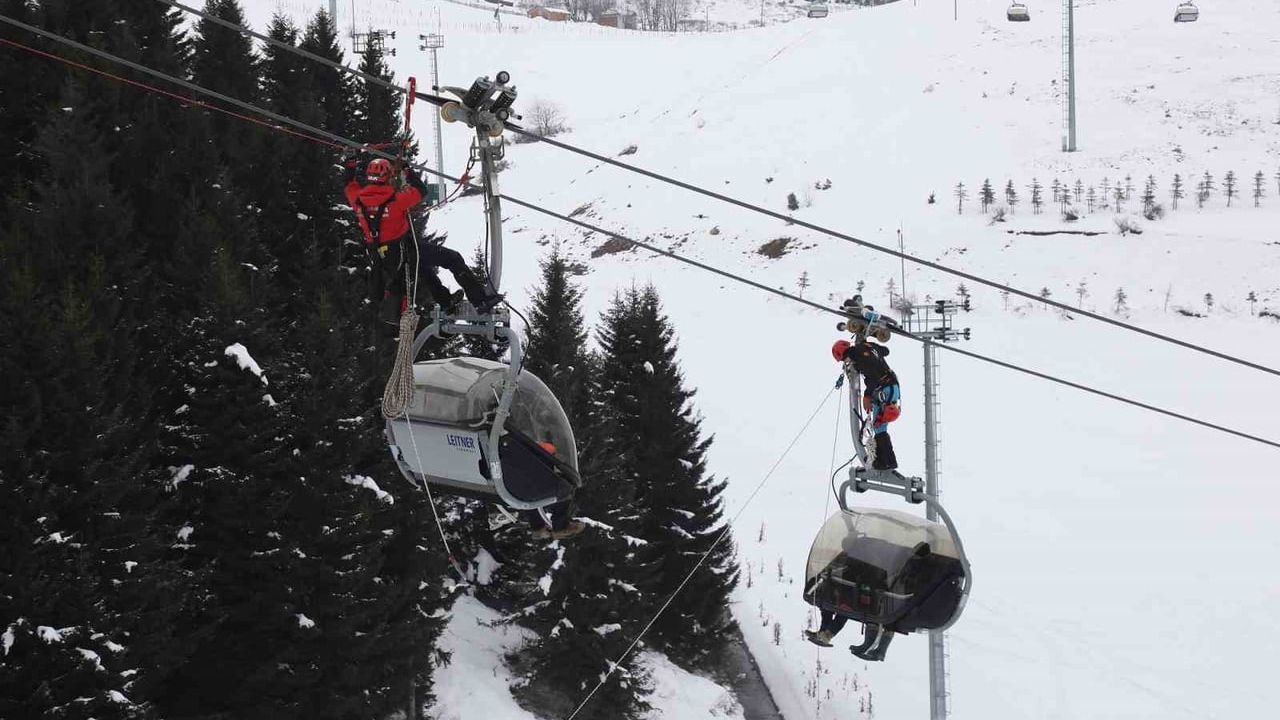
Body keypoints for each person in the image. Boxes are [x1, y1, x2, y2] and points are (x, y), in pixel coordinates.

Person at [342, 155, 499, 331]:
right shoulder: (396, 199)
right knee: (452, 258)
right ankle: (480, 301)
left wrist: (350, 166)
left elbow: (349, 184)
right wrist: (407, 170)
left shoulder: (357, 199)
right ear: (387, 176)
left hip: (382, 256)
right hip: (403, 250)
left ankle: (446, 302)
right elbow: (420, 190)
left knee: (423, 268)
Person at [831, 338, 901, 470]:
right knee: (878, 425)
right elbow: (885, 351)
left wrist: (867, 396)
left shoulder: (858, 357)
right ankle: (882, 460)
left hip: (884, 388)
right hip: (891, 386)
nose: (846, 363)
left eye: (844, 360)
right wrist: (871, 349)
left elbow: (873, 375)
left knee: (879, 426)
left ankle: (887, 461)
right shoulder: (868, 346)